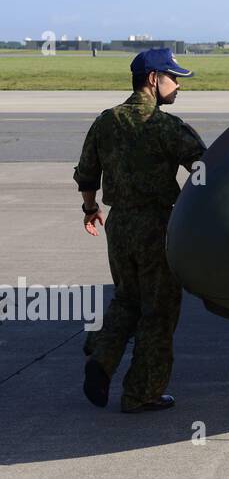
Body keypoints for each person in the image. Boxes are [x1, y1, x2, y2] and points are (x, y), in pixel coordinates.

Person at [74, 48, 206, 413]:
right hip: (157, 226)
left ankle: (101, 359)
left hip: (119, 227)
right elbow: (206, 172)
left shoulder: (105, 122)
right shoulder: (167, 127)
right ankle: (141, 393)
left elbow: (86, 174)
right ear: (153, 79)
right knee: (159, 311)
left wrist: (90, 209)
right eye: (173, 77)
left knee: (127, 298)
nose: (178, 86)